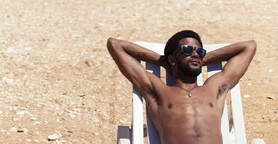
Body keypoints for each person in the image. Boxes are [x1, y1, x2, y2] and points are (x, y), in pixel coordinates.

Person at [107, 30, 256, 144]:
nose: (194, 54)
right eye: (186, 50)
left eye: (199, 51)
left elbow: (249, 46)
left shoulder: (215, 87)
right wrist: (163, 61)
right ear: (172, 59)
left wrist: (201, 59)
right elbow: (115, 45)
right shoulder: (158, 91)